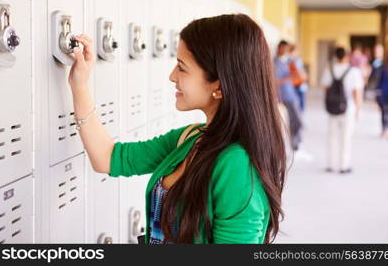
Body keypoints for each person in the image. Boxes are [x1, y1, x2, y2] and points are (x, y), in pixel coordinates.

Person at [68, 14, 287, 244]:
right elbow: (108, 158)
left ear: (220, 86)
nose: (172, 76)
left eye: (182, 68)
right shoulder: (190, 137)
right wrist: (79, 85)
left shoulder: (237, 166)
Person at [321, 47, 363, 174]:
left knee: (332, 136)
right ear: (347, 56)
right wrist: (358, 109)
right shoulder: (354, 71)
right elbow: (357, 93)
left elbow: (326, 89)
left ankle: (330, 164)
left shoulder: (329, 69)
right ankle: (344, 166)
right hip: (348, 107)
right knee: (346, 137)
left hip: (333, 108)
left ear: (335, 55)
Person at [274, 40, 303, 151]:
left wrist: (295, 71)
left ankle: (295, 144)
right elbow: (273, 81)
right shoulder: (273, 62)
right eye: (284, 48)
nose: (286, 51)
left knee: (297, 121)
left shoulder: (290, 62)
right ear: (279, 48)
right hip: (280, 97)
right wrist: (288, 77)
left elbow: (300, 76)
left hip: (291, 95)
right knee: (284, 123)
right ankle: (288, 147)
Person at [376, 52, 388, 139]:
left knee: (383, 112)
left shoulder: (382, 68)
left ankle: (384, 130)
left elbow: (379, 81)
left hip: (383, 92)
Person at [288, 44, 308, 112]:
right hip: (293, 85)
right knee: (295, 104)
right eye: (292, 51)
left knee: (301, 104)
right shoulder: (288, 61)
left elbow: (302, 72)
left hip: (301, 84)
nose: (293, 53)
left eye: (294, 51)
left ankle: (300, 116)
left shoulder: (298, 60)